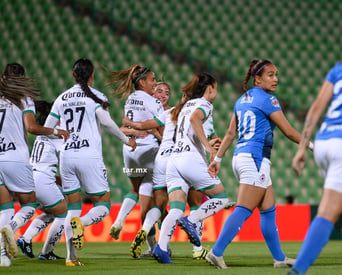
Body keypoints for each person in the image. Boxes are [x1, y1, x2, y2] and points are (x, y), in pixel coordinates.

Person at [206, 59, 313, 269]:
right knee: (244, 209)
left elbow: (230, 134)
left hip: (242, 157)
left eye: (277, 75)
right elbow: (289, 131)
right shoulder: (268, 100)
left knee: (268, 209)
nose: (276, 79)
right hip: (254, 158)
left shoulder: (242, 99)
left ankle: (280, 259)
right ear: (258, 79)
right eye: (271, 75)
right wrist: (312, 146)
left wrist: (218, 158)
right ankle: (216, 252)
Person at [44, 58, 136, 266]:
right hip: (89, 156)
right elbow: (108, 124)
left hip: (66, 157)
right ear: (92, 76)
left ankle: (70, 257)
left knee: (73, 208)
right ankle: (82, 224)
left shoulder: (61, 98)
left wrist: (63, 143)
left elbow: (48, 129)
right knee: (103, 205)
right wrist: (126, 140)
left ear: (73, 75)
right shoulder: (94, 97)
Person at [0, 63, 69, 267]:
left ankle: (4, 258)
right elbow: (31, 127)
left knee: (5, 209)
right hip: (16, 159)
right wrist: (55, 132)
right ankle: (12, 228)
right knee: (28, 204)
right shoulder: (24, 100)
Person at [152, 73, 231, 264]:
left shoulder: (185, 105)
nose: (216, 93)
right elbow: (196, 120)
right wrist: (210, 147)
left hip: (174, 160)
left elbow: (189, 129)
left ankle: (161, 248)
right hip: (189, 159)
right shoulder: (204, 105)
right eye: (215, 88)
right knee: (222, 198)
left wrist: (209, 141)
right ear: (209, 89)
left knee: (176, 208)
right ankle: (193, 220)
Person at [288, 62, 342, 275]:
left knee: (332, 208)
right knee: (328, 212)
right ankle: (298, 271)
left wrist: (302, 147)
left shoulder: (338, 69)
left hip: (323, 142)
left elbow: (317, 107)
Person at [106, 64, 164, 241]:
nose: (154, 84)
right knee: (158, 194)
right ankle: (157, 238)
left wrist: (133, 128)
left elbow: (125, 126)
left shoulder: (130, 99)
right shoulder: (152, 101)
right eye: (152, 80)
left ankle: (119, 220)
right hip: (148, 151)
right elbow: (161, 124)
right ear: (142, 82)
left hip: (129, 151)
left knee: (136, 188)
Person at [16, 100, 67, 261]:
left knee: (50, 213)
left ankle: (26, 238)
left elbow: (44, 163)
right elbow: (65, 159)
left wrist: (60, 180)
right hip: (43, 180)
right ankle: (46, 252)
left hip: (30, 178)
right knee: (64, 214)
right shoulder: (57, 136)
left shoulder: (41, 136)